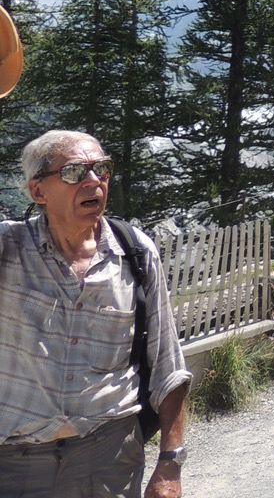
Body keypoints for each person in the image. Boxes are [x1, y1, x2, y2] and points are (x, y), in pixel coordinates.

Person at [0, 130, 191, 498]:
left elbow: (169, 364)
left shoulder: (134, 251)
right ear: (38, 191)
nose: (93, 181)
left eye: (101, 169)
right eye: (73, 172)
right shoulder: (8, 247)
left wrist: (171, 462)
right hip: (15, 461)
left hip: (109, 458)